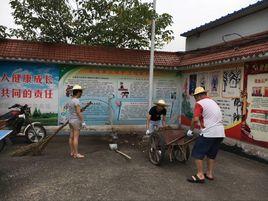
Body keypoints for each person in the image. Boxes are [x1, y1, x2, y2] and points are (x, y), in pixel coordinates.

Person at [187, 87, 225, 183]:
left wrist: (190, 130)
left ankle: (200, 175)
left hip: (209, 133)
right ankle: (209, 173)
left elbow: (195, 119)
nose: (195, 99)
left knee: (197, 153)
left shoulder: (200, 103)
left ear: (199, 96)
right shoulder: (212, 102)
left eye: (195, 97)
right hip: (220, 133)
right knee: (211, 154)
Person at [68, 84, 88, 159]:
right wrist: (83, 122)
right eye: (81, 92)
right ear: (78, 92)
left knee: (71, 137)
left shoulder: (71, 100)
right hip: (76, 121)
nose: (81, 94)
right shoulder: (77, 101)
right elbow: (78, 113)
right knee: (76, 138)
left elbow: (76, 111)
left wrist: (81, 109)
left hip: (70, 121)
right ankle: (76, 154)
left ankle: (72, 152)